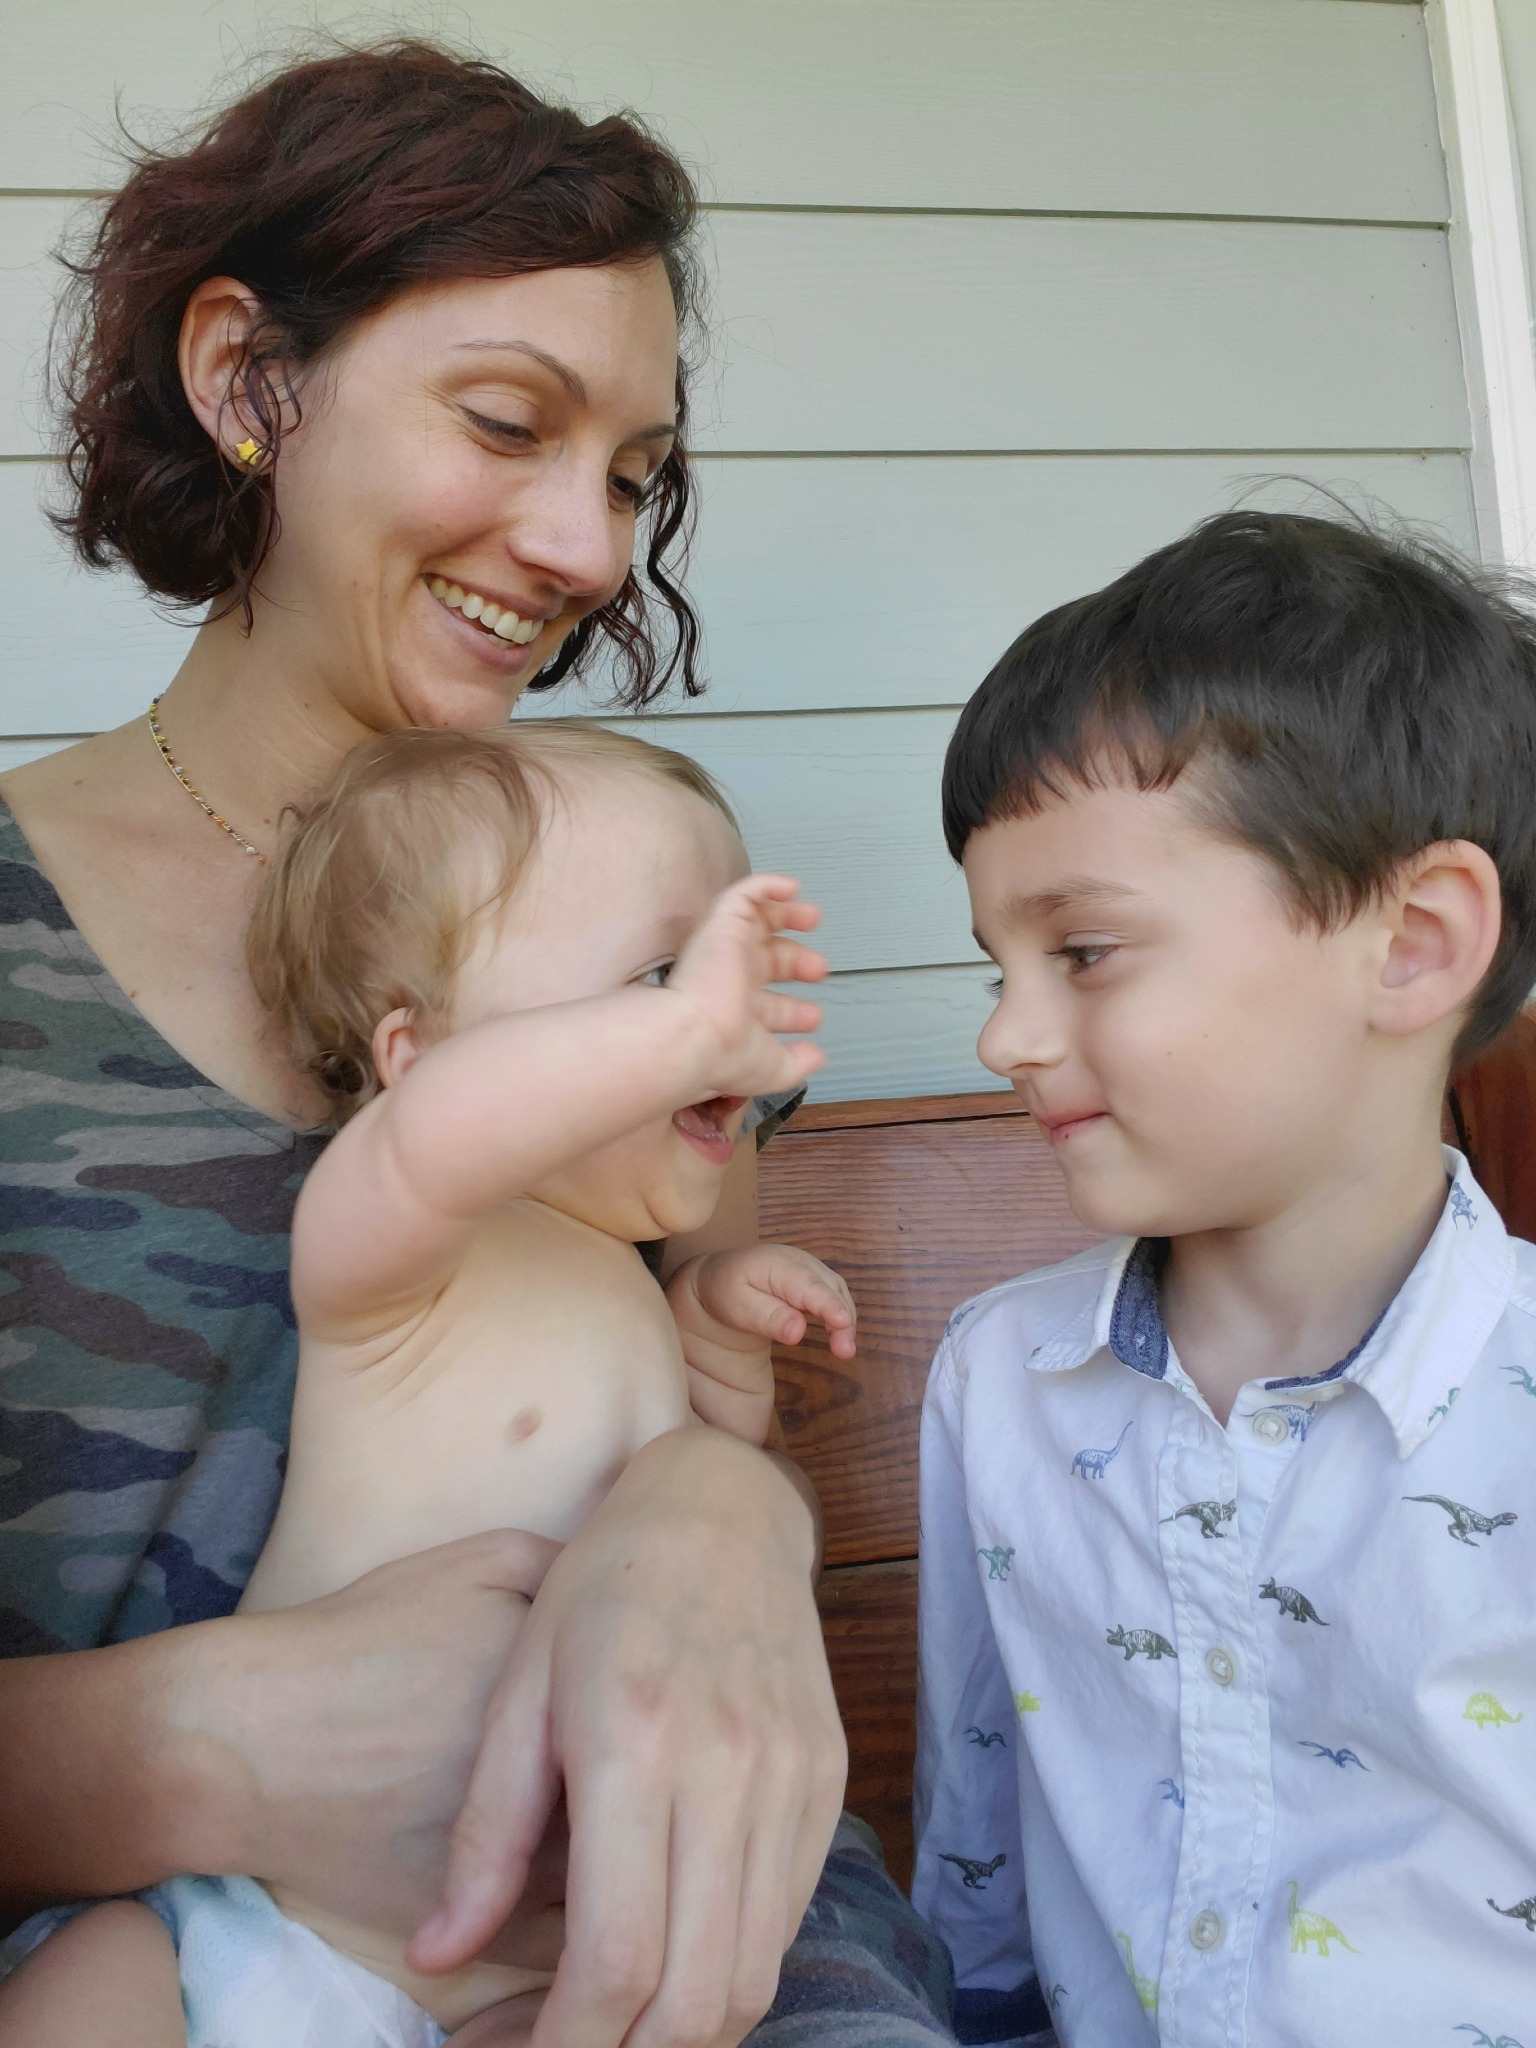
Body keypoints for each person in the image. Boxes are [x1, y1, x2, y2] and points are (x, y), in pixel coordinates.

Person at [0, 41, 954, 2048]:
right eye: (509, 423)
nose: (590, 552)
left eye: (631, 475)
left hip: (649, 1915)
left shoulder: (634, 890)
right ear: (246, 380)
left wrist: (723, 1525)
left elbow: (691, 1351)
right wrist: (185, 1745)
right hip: (183, 1952)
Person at [0, 719, 862, 2045]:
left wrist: (720, 1358)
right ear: (414, 1055)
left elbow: (698, 1506)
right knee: (92, 1980)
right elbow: (440, 1138)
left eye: (728, 975)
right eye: (657, 974)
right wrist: (684, 1031)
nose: (717, 1021)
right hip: (275, 1929)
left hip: (522, 1976)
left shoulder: (627, 1274)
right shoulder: (402, 1245)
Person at [912, 511, 1536, 2045]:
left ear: (1413, 944)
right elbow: (973, 1851)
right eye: (997, 965)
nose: (1006, 1036)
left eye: (1085, 951)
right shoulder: (1001, 1379)